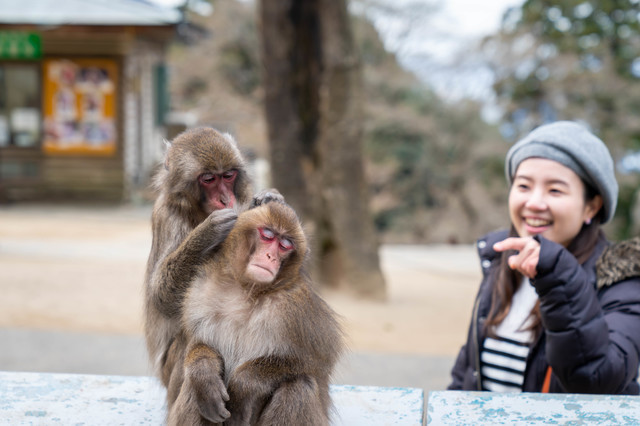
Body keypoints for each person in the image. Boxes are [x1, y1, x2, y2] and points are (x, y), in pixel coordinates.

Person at [448, 121, 640, 394]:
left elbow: (597, 380)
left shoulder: (623, 279)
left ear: (591, 206)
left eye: (555, 190)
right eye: (524, 186)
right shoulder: (501, 262)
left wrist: (559, 277)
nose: (534, 203)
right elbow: (467, 370)